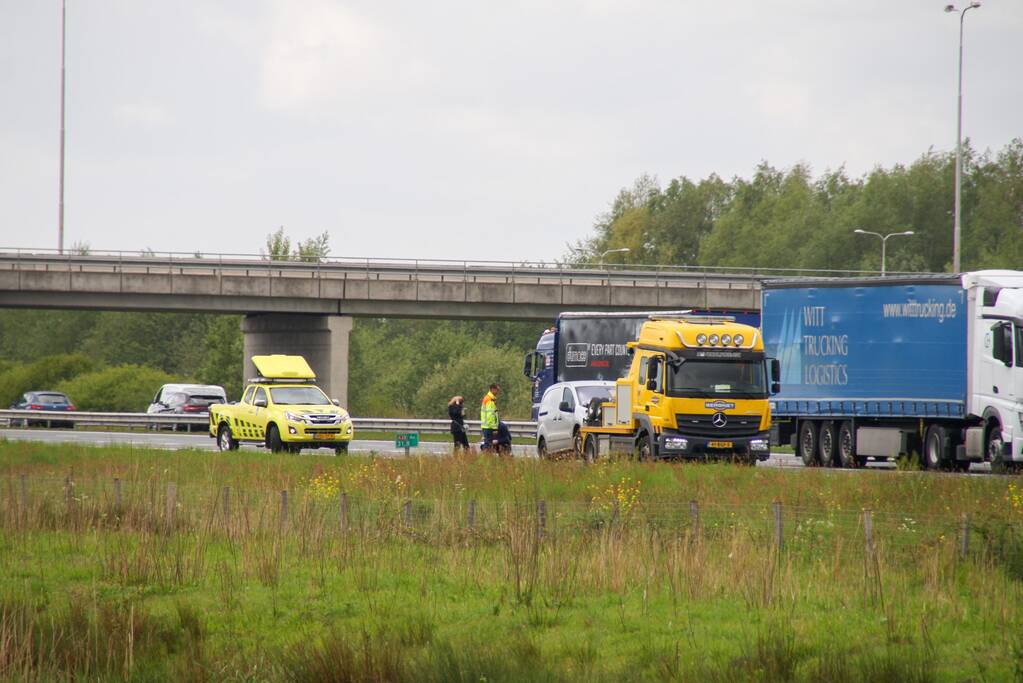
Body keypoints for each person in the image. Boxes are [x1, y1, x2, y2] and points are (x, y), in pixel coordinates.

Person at [480, 383, 501, 451]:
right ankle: (486, 459)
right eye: (497, 390)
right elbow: (490, 415)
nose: (498, 392)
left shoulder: (490, 398)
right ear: (492, 389)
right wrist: (494, 428)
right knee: (488, 445)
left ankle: (487, 459)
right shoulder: (489, 399)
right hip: (489, 427)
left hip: (487, 426)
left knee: (489, 445)